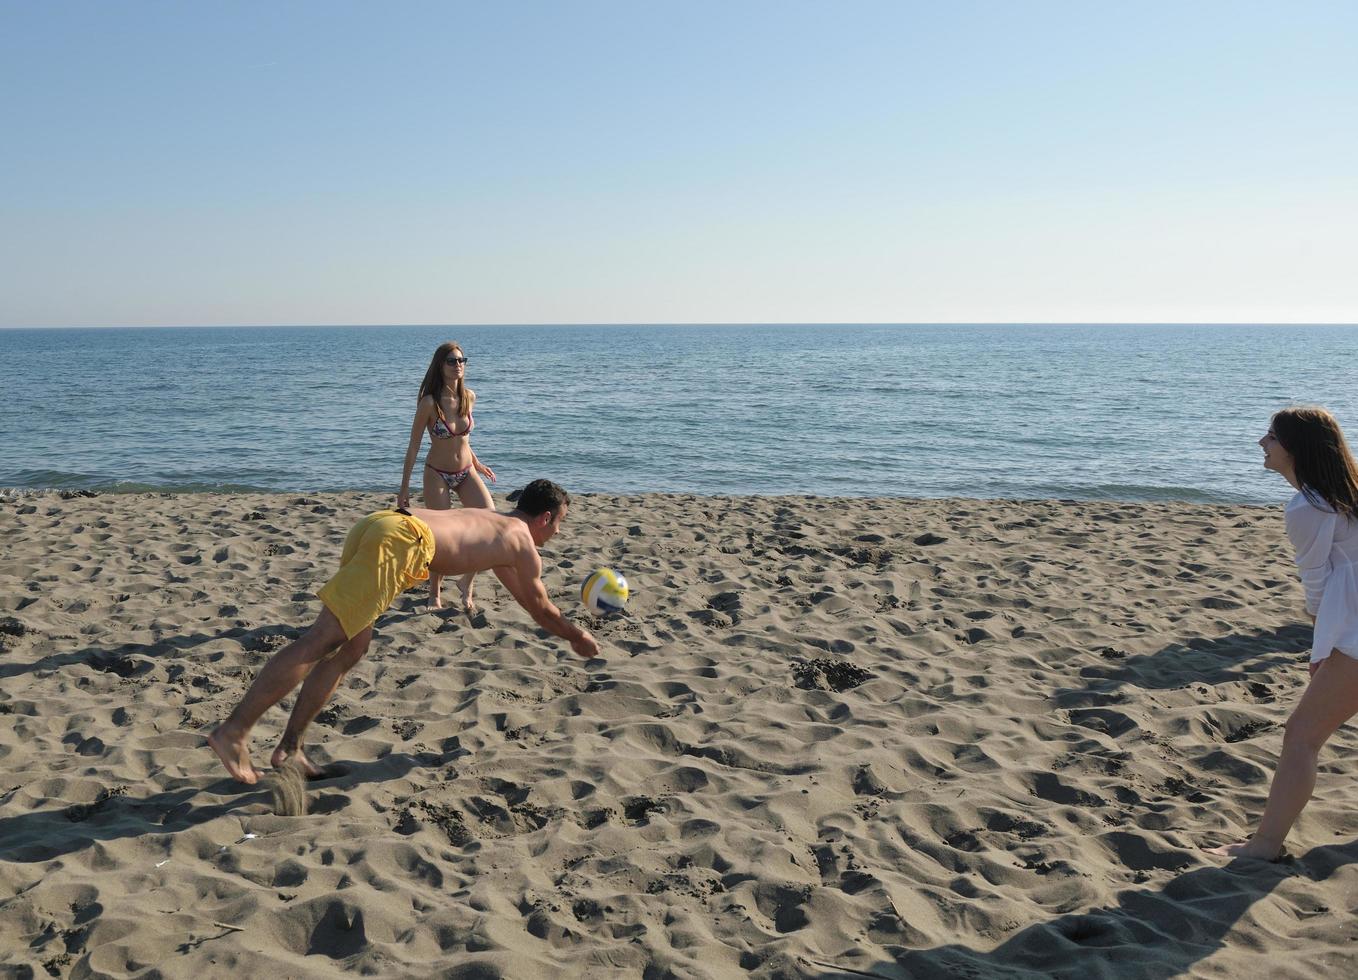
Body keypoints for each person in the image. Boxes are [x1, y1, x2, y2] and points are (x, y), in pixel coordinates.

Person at [208, 479, 597, 785]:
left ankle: (290, 749)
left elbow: (526, 599)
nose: (558, 533)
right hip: (403, 540)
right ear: (545, 518)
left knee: (352, 647)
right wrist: (576, 636)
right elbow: (542, 608)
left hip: (381, 522)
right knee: (322, 638)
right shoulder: (522, 543)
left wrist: (562, 628)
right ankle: (234, 732)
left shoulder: (496, 523)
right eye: (560, 523)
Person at [1207, 406, 1358, 861]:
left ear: (1294, 448)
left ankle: (1265, 846)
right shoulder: (1346, 493)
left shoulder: (1309, 507)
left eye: (1271, 437)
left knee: (1300, 737)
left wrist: (1322, 649)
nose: (1262, 444)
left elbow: (1316, 590)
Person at [398, 341, 497, 612]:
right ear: (440, 366)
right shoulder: (429, 403)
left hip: (465, 472)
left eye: (462, 360)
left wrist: (477, 463)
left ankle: (467, 584)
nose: (458, 366)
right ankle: (434, 594)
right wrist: (403, 488)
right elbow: (414, 445)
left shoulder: (469, 397)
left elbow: (462, 439)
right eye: (452, 361)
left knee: (489, 522)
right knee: (440, 537)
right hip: (437, 474)